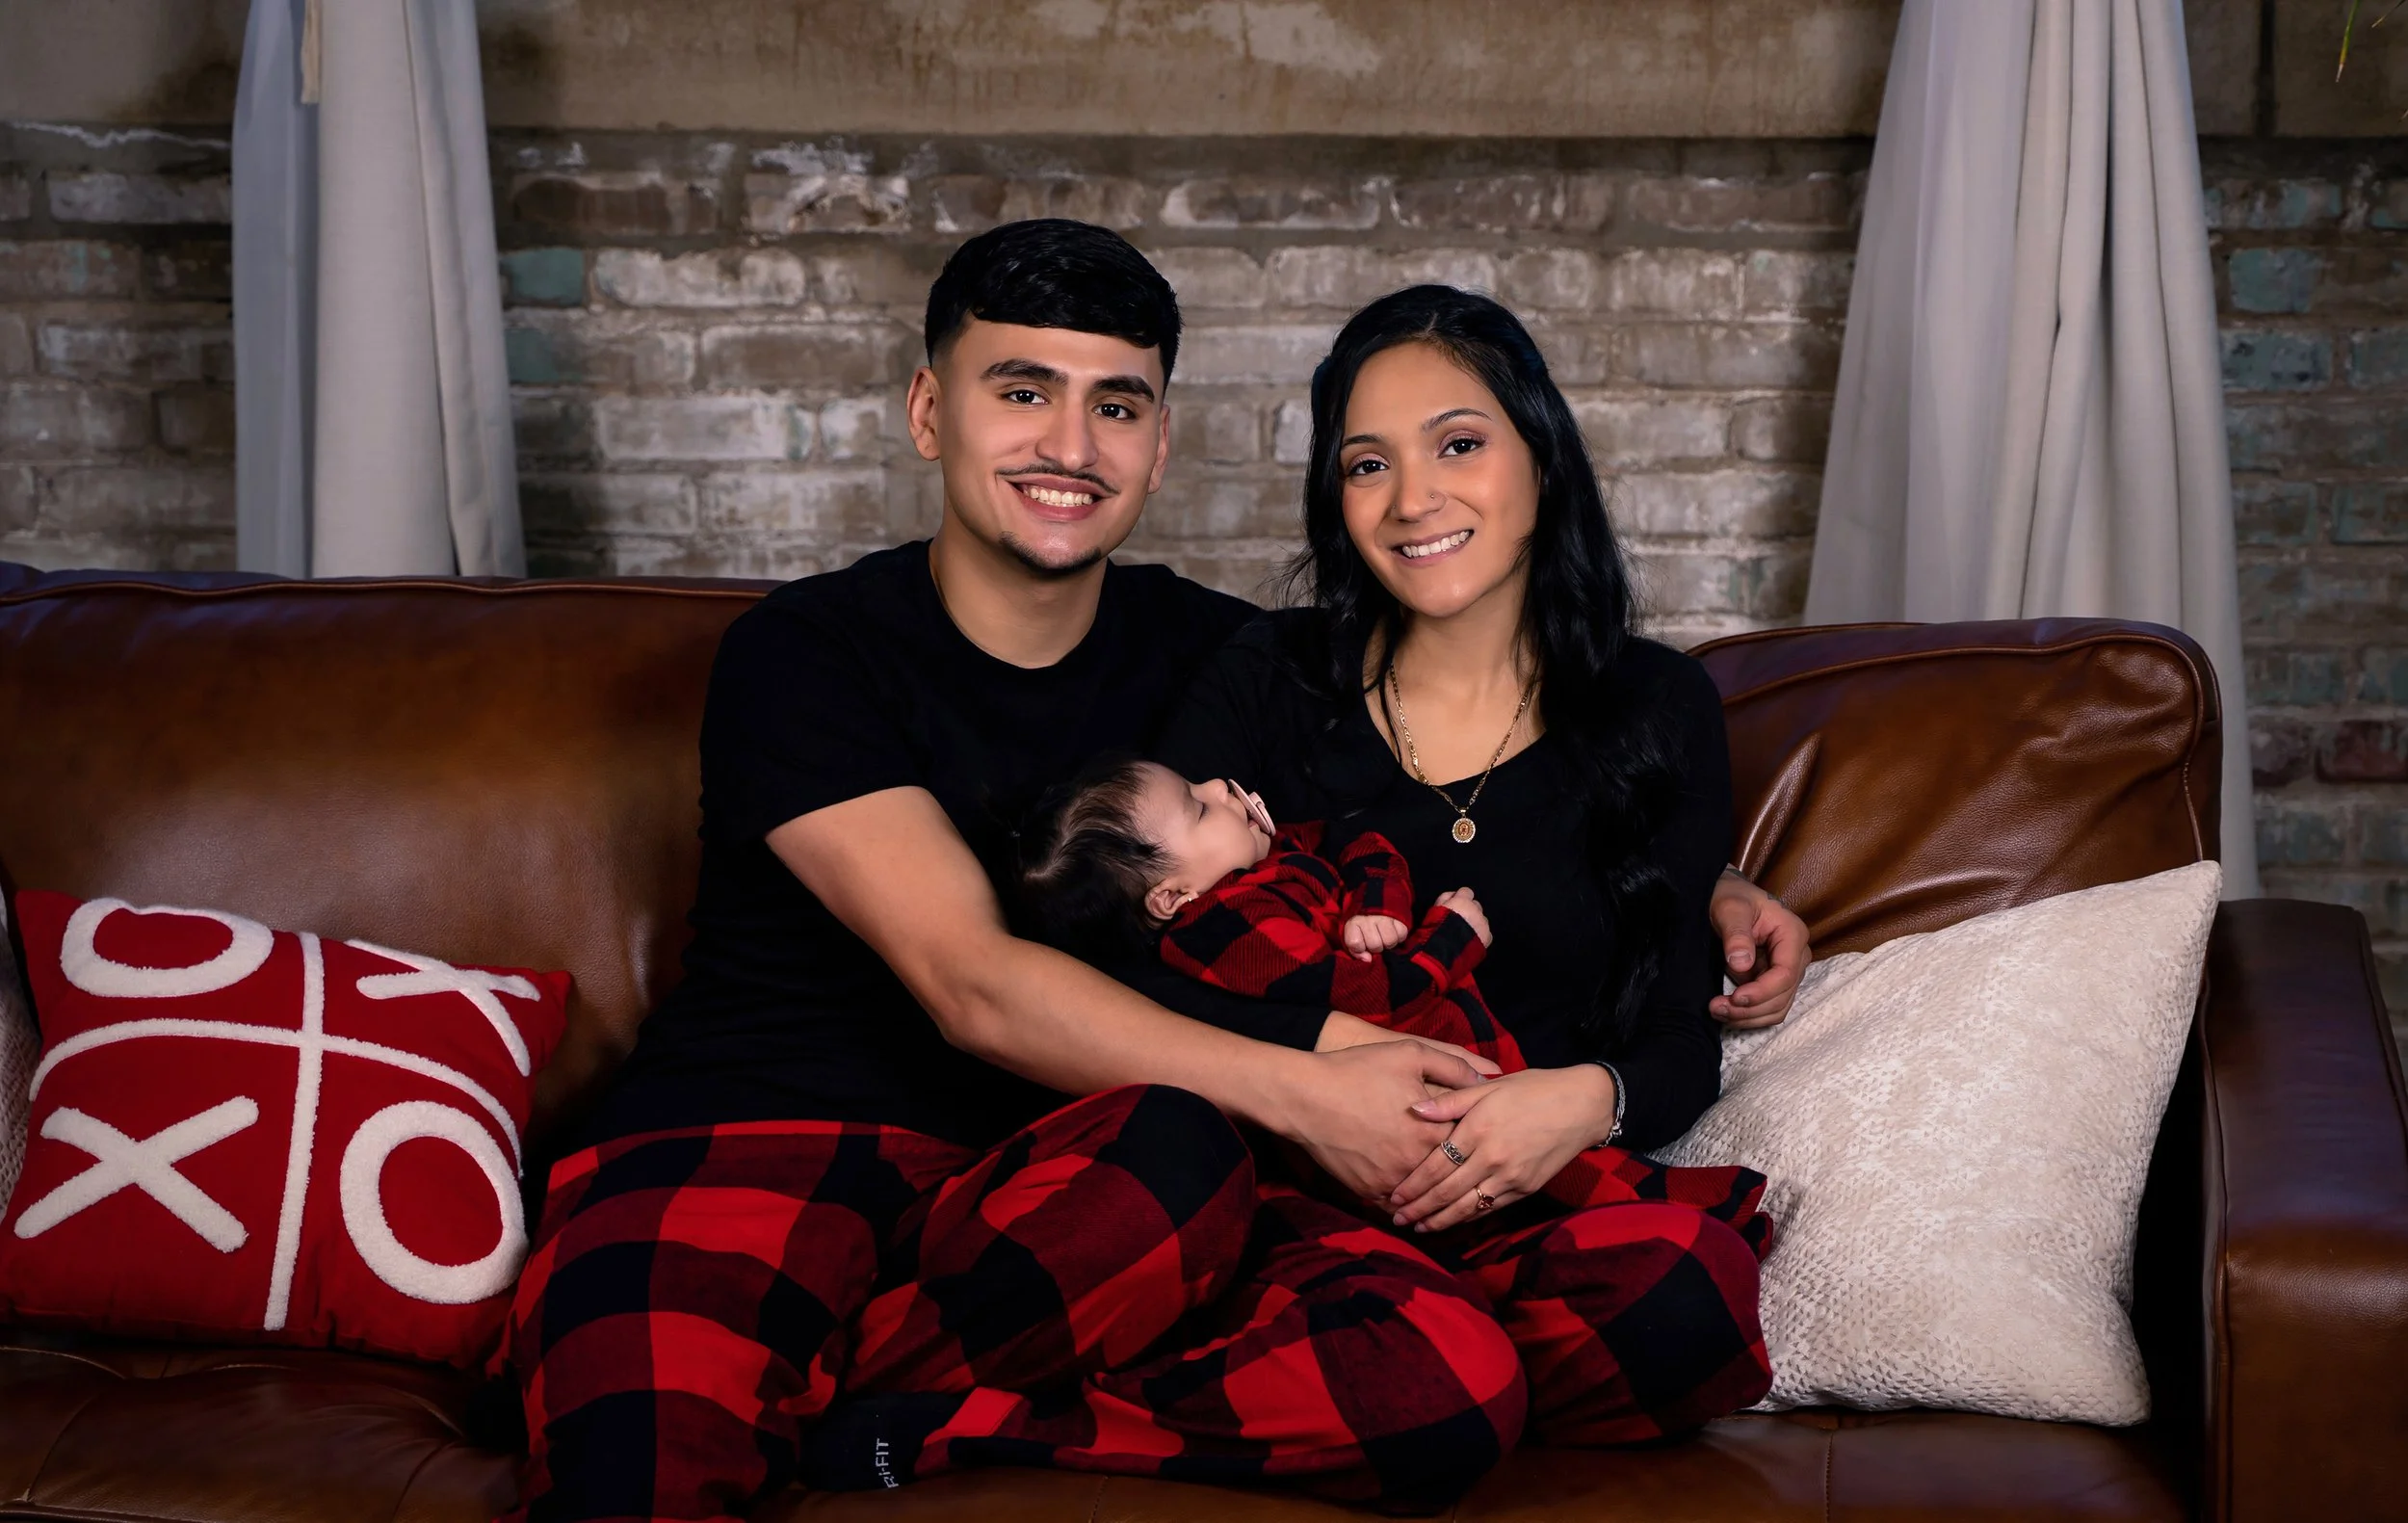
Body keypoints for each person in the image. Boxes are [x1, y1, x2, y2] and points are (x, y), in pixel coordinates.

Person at [501, 222, 1809, 1522]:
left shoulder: (1228, 659)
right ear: (927, 412)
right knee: (645, 1467)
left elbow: (1418, 799)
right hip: (768, 1138)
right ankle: (790, 1393)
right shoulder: (809, 651)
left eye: (1114, 405)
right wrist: (1307, 1090)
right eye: (1022, 393)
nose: (1069, 447)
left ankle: (898, 1420)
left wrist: (1702, 881)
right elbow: (976, 984)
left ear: (1161, 443)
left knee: (1417, 1326)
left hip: (1074, 1187)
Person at [1155, 284, 1782, 1445]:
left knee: (1688, 1290)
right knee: (1429, 1376)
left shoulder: (1657, 708)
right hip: (1289, 1189)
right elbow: (1145, 950)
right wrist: (1329, 1078)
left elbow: (1678, 1045)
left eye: (1457, 444)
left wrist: (1576, 1105)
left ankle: (1408, 1385)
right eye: (1365, 465)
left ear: (1540, 464)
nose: (1412, 500)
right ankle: (1406, 1387)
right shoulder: (1267, 679)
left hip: (1520, 1203)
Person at [1012, 756, 1773, 1242]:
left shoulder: (1276, 857)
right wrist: (1449, 936)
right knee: (1543, 1170)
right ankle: (1690, 1210)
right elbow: (1364, 994)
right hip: (1408, 1089)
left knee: (1535, 1149)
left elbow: (1366, 846)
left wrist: (1374, 905)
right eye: (1199, 805)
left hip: (1466, 1042)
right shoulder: (1224, 932)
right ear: (1173, 896)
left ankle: (1671, 1210)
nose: (1223, 787)